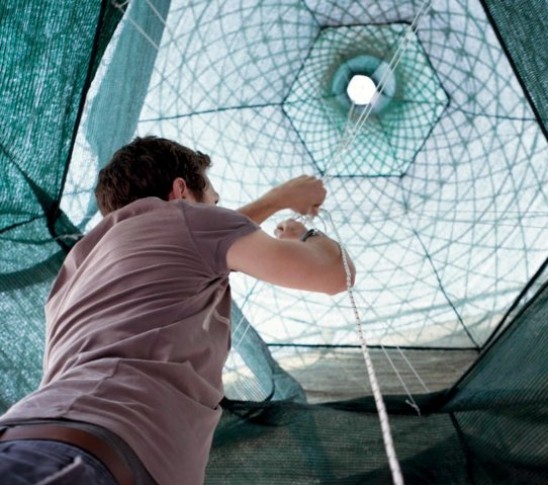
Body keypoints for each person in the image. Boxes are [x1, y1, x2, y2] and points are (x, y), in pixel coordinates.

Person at [0, 136, 355, 484]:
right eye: (214, 202)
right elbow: (335, 276)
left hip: (41, 438)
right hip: (94, 454)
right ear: (181, 190)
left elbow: (198, 232)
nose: (218, 213)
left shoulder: (79, 264)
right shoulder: (185, 222)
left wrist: (275, 200)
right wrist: (304, 234)